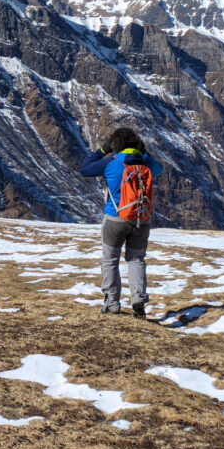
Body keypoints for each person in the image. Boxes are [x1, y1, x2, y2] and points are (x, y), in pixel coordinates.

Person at [79, 126, 164, 319]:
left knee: (110, 260)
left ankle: (111, 303)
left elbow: (85, 169)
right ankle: (138, 300)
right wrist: (144, 152)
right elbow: (159, 169)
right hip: (141, 219)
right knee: (136, 259)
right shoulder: (145, 163)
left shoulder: (111, 162)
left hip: (115, 219)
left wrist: (102, 150)